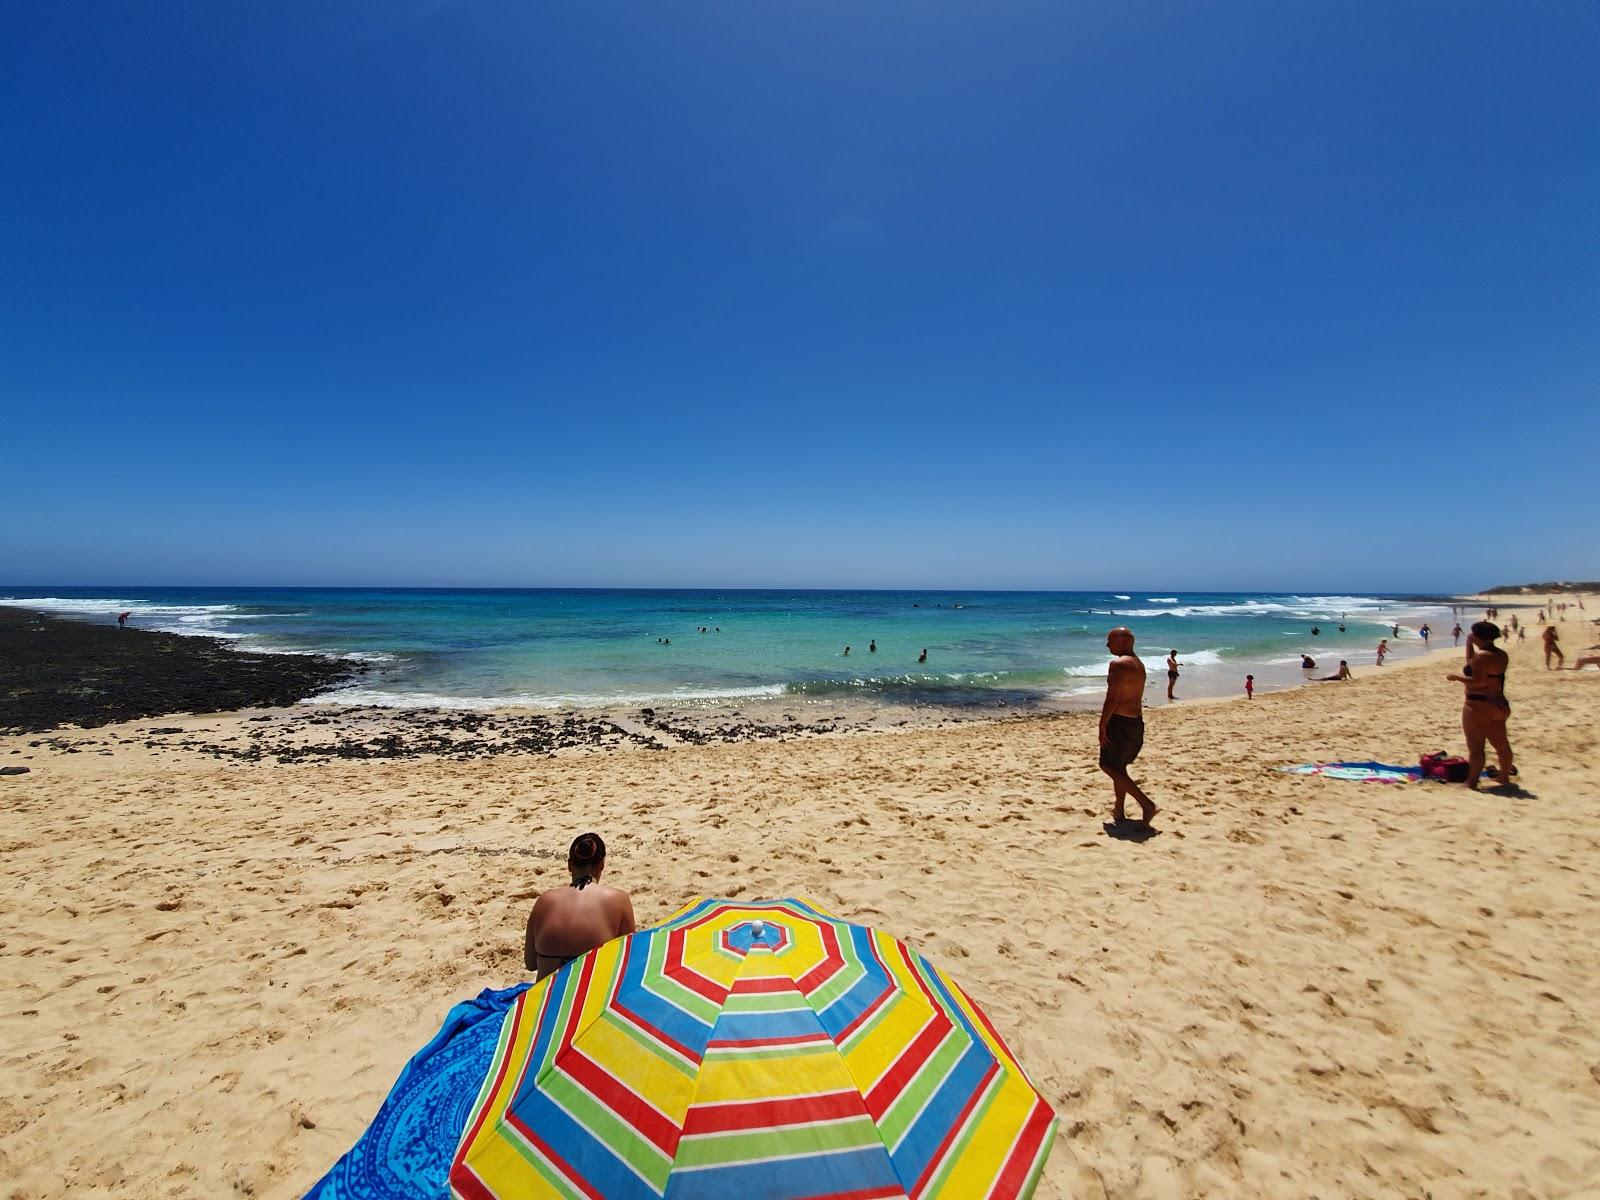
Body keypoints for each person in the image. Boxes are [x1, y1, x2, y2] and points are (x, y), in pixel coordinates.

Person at [524, 833, 636, 980]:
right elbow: (629, 960)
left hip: (548, 1000)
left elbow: (531, 963)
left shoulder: (544, 901)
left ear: (569, 865)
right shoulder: (618, 899)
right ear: (602, 864)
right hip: (592, 999)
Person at [1098, 627, 1156, 826]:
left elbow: (1112, 698)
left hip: (1120, 722)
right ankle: (1119, 809)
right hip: (1135, 722)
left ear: (1124, 642)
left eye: (1111, 640)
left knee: (1107, 766)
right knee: (1119, 767)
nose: (1107, 645)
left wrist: (1102, 724)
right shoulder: (1138, 664)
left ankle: (1146, 804)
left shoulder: (1118, 664)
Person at [1446, 622, 1513, 790]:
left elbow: (1477, 680)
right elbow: (1472, 665)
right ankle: (1504, 776)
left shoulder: (1481, 657)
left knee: (1476, 746)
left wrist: (1457, 677)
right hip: (1498, 704)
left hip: (1477, 705)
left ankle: (1471, 782)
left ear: (1478, 636)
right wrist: (1468, 645)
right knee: (1501, 744)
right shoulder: (1500, 655)